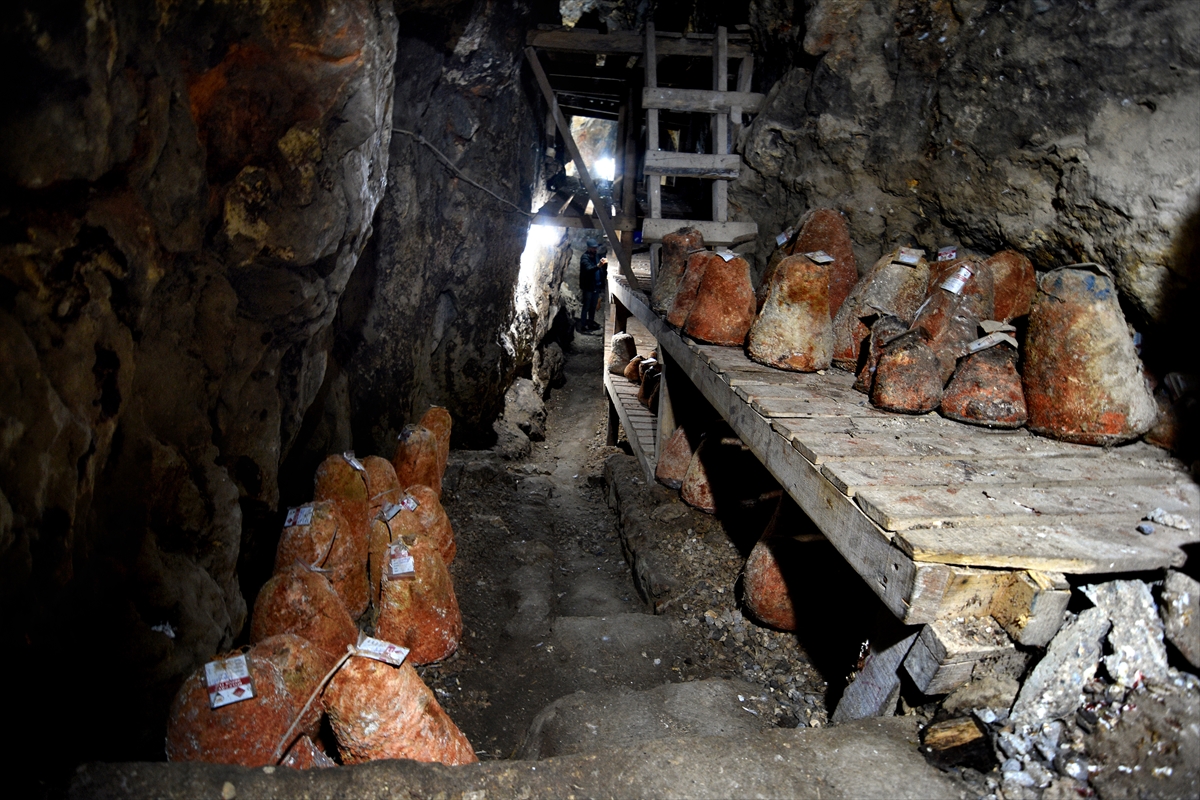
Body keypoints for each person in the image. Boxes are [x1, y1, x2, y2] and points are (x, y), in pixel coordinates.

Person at [578, 238, 607, 333]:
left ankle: (590, 322)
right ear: (588, 248)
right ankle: (583, 325)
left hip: (596, 285)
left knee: (593, 306)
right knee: (586, 306)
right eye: (593, 248)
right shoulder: (584, 258)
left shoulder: (596, 256)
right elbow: (588, 269)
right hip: (588, 287)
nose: (595, 250)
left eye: (596, 248)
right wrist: (598, 266)